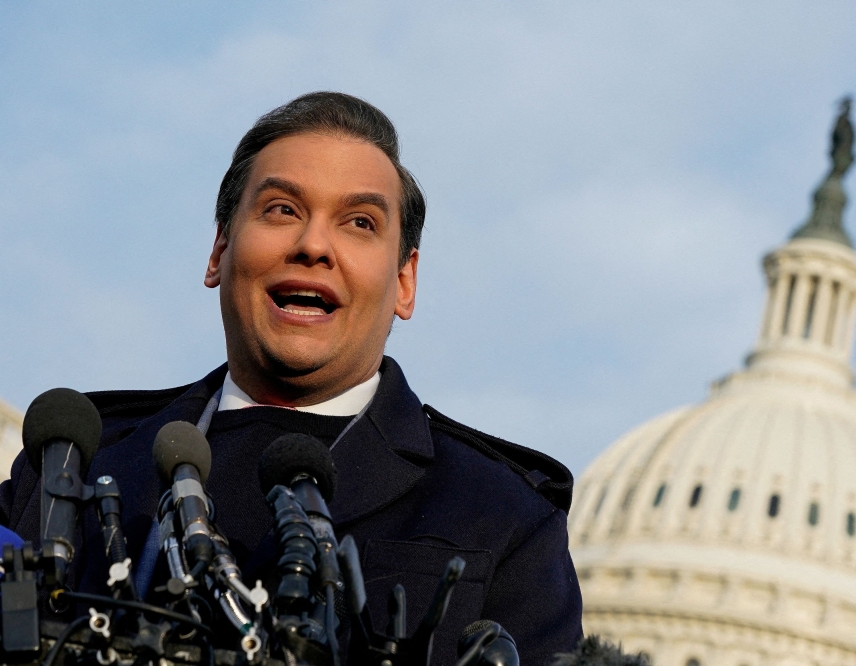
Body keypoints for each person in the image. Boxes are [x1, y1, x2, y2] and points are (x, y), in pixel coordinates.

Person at [0, 92, 583, 664]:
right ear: (218, 251)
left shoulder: (504, 515)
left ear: (405, 282)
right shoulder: (72, 466)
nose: (312, 246)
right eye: (282, 210)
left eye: (359, 222)